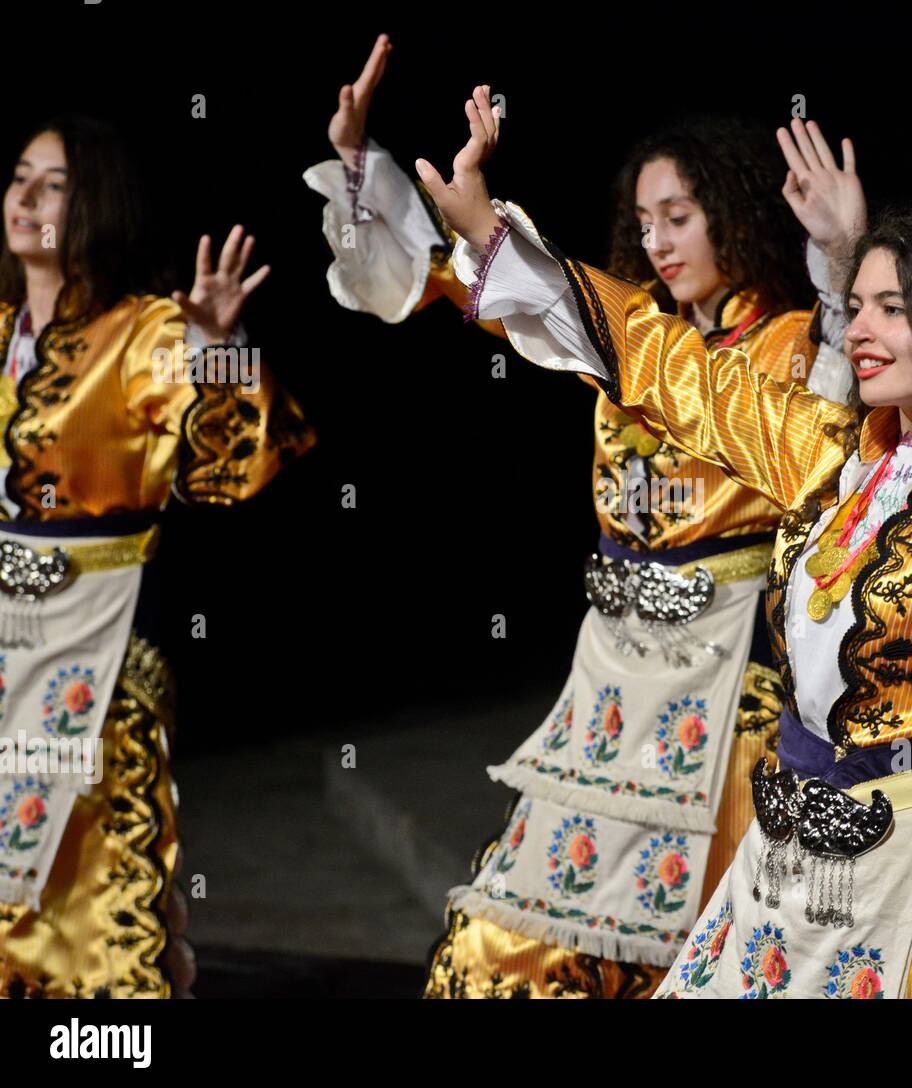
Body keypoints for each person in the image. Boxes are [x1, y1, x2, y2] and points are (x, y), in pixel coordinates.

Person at [414, 84, 912, 998]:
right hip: (792, 865)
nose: (858, 330)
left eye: (888, 310)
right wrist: (488, 231)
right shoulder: (824, 453)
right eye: (856, 305)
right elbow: (659, 363)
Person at [304, 39, 858, 997]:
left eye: (679, 217)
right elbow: (436, 275)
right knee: (498, 946)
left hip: (729, 685)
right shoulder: (615, 331)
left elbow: (846, 417)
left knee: (717, 950)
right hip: (610, 677)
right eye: (643, 222)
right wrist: (360, 169)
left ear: (730, 214)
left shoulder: (789, 343)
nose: (658, 242)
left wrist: (843, 260)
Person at [0, 115, 316, 998]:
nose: (25, 197)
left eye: (53, 183)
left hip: (96, 660)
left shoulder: (141, 333)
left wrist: (215, 349)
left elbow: (227, 468)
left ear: (95, 203)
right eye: (19, 177)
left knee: (91, 901)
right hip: (1, 654)